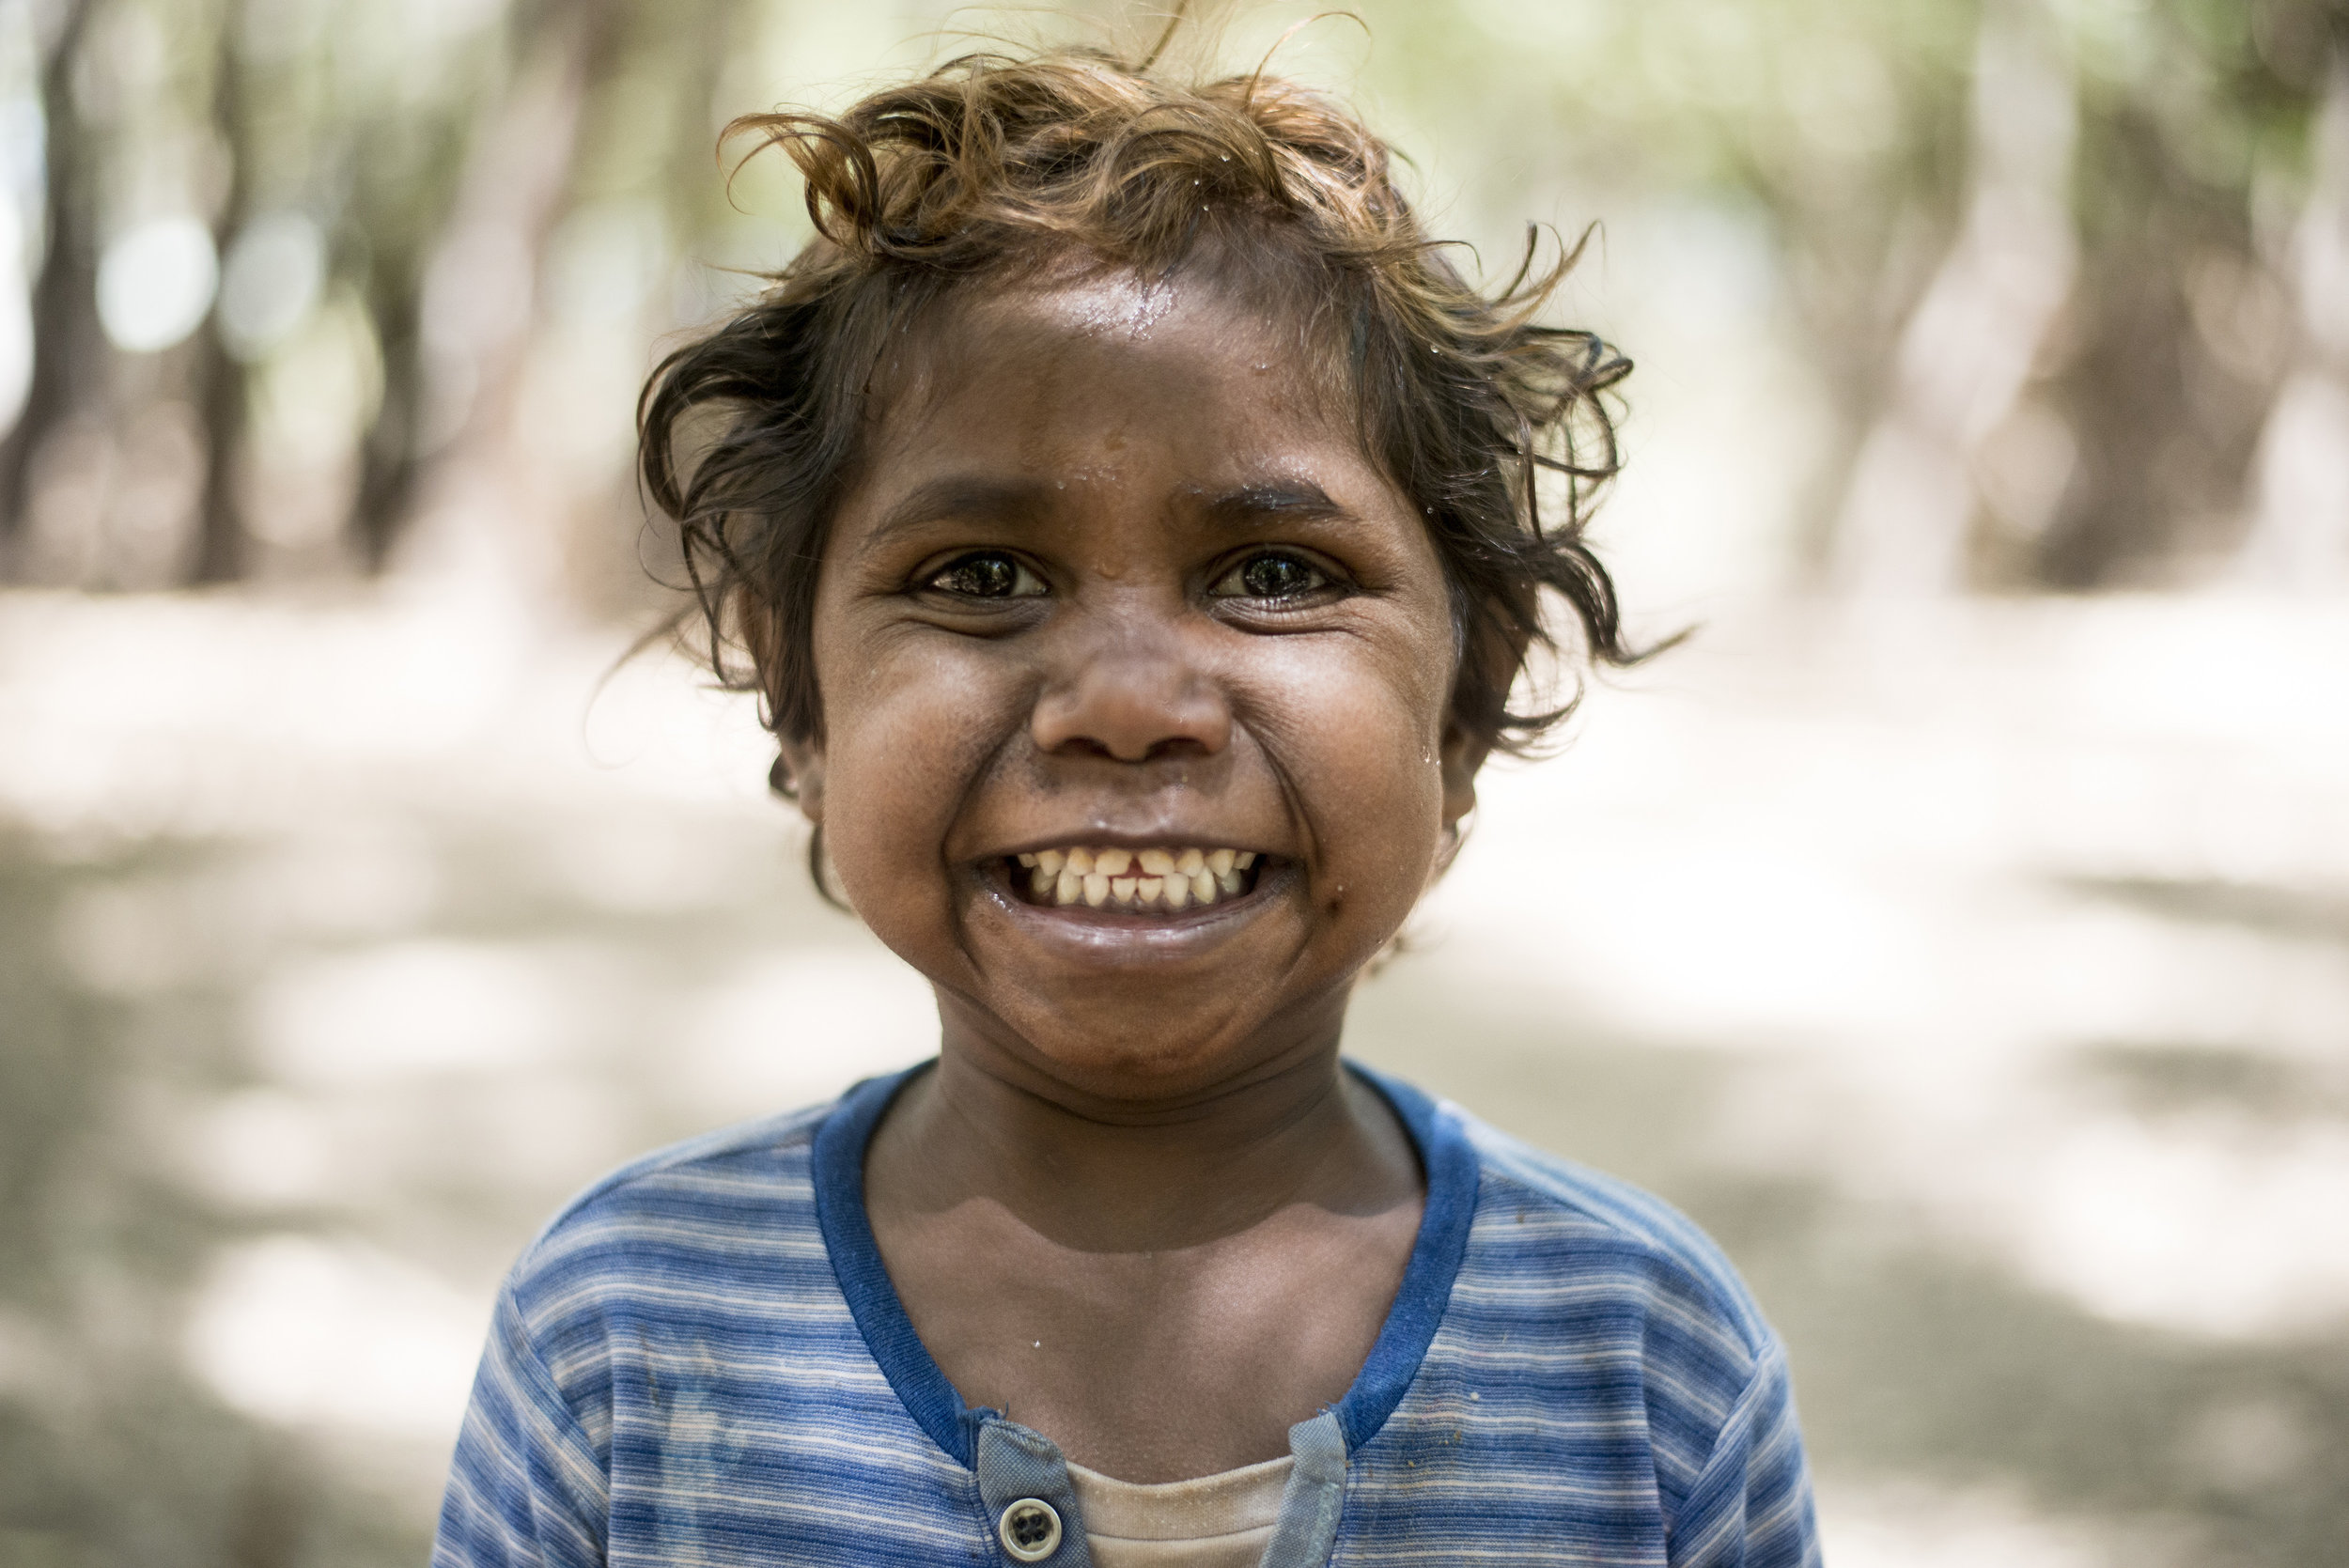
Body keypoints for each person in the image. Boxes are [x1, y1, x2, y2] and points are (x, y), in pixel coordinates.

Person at [433, 38, 1820, 1568]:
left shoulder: (1650, 1376)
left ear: (1467, 696)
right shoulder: (618, 1344)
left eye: (1277, 575)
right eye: (979, 576)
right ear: (801, 695)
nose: (1128, 704)